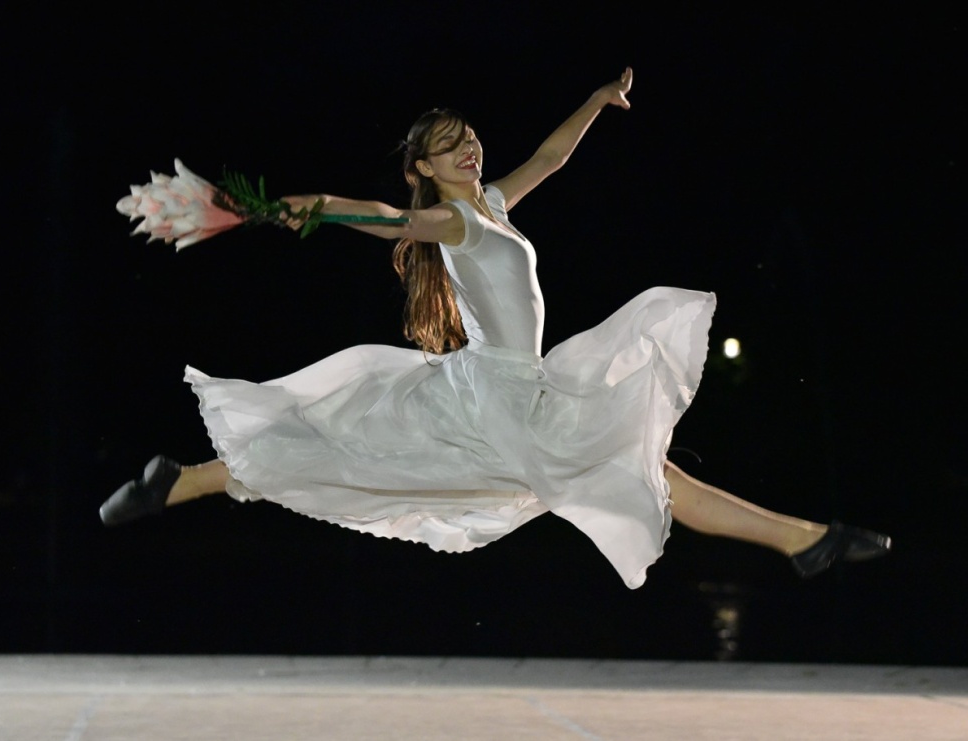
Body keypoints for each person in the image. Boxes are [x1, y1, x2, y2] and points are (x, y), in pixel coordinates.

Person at [101, 68, 890, 588]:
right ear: (426, 171)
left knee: (634, 471)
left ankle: (804, 540)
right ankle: (803, 540)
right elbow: (367, 214)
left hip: (520, 390)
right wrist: (262, 209)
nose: (467, 148)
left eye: (467, 136)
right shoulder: (450, 222)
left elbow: (548, 158)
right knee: (636, 472)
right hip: (499, 401)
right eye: (447, 147)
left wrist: (595, 100)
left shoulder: (494, 207)